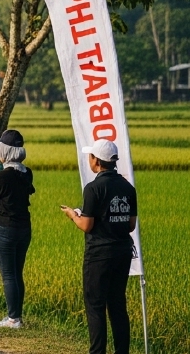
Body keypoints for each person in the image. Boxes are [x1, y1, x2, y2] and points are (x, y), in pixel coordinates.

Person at [61, 139, 138, 354]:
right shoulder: (127, 187)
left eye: (91, 156)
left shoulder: (93, 188)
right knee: (117, 305)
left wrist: (72, 215)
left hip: (99, 255)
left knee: (95, 306)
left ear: (96, 161)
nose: (89, 159)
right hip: (122, 252)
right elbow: (130, 225)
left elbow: (87, 225)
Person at [0, 129, 34, 329]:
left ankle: (13, 319)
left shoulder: (3, 176)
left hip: (5, 228)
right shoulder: (26, 172)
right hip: (23, 228)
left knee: (8, 274)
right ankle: (16, 316)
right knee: (16, 273)